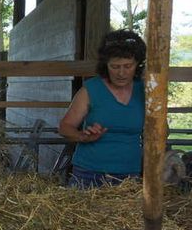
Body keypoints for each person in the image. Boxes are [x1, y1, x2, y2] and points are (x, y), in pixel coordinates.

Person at [58, 30, 147, 188]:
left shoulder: (146, 91)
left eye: (128, 66)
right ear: (105, 65)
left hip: (129, 175)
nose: (121, 73)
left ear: (137, 64)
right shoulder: (91, 89)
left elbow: (162, 130)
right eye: (115, 66)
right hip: (88, 174)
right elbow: (65, 127)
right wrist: (83, 136)